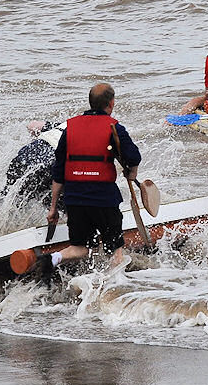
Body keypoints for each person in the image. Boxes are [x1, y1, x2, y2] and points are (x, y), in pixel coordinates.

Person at [11, 83, 141, 278]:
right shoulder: (114, 127)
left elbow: (59, 173)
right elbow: (134, 158)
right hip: (103, 199)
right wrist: (132, 173)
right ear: (111, 104)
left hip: (73, 198)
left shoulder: (69, 127)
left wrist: (53, 208)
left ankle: (53, 258)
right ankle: (112, 288)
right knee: (115, 251)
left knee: (79, 246)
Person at [0, 120, 64, 210]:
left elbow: (32, 126)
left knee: (6, 198)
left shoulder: (64, 124)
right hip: (46, 166)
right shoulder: (86, 133)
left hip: (22, 159)